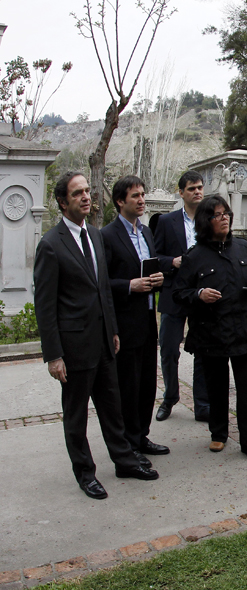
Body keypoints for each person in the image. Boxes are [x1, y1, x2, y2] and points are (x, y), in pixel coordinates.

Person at [34, 172, 159, 500]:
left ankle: (124, 461)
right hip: (74, 347)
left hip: (104, 342)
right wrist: (53, 355)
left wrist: (113, 330)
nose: (86, 197)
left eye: (87, 191)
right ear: (63, 202)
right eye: (78, 193)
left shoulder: (94, 235)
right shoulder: (51, 244)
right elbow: (45, 306)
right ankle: (85, 473)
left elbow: (103, 288)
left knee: (112, 408)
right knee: (76, 416)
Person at [173, 195, 247, 461]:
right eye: (217, 214)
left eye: (226, 213)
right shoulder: (195, 256)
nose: (224, 218)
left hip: (244, 329)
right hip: (211, 332)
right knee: (216, 387)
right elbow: (179, 293)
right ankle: (218, 433)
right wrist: (199, 294)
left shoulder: (243, 247)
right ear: (206, 221)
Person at [101, 176, 170, 466]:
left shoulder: (146, 232)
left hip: (148, 320)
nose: (141, 200)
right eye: (135, 196)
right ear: (120, 201)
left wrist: (158, 279)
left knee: (146, 384)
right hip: (124, 323)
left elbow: (149, 268)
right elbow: (102, 283)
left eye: (142, 194)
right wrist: (130, 286)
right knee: (128, 386)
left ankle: (142, 436)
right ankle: (128, 444)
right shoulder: (107, 236)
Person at [154, 171, 209, 422]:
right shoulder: (167, 222)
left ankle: (202, 404)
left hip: (201, 294)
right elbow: (155, 256)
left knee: (202, 350)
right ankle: (169, 397)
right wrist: (172, 262)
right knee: (168, 349)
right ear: (181, 193)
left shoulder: (210, 219)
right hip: (174, 293)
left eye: (199, 188)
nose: (197, 192)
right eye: (191, 188)